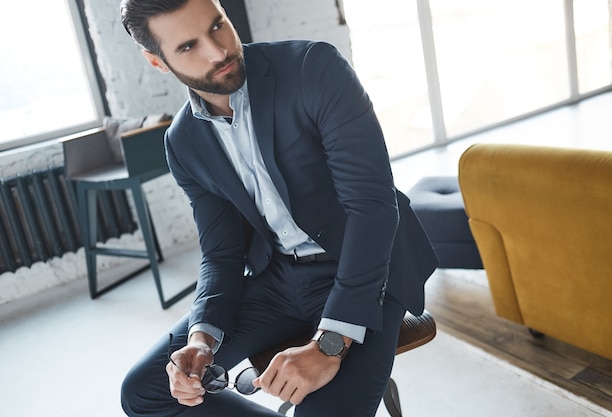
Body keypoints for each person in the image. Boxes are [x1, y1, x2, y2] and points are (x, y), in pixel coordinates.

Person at [119, 0, 438, 416]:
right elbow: (221, 253)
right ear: (156, 61)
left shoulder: (313, 68)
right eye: (187, 47)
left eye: (218, 25)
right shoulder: (183, 143)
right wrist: (200, 338)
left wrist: (330, 343)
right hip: (279, 278)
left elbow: (372, 207)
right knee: (143, 391)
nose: (217, 51)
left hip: (366, 266)